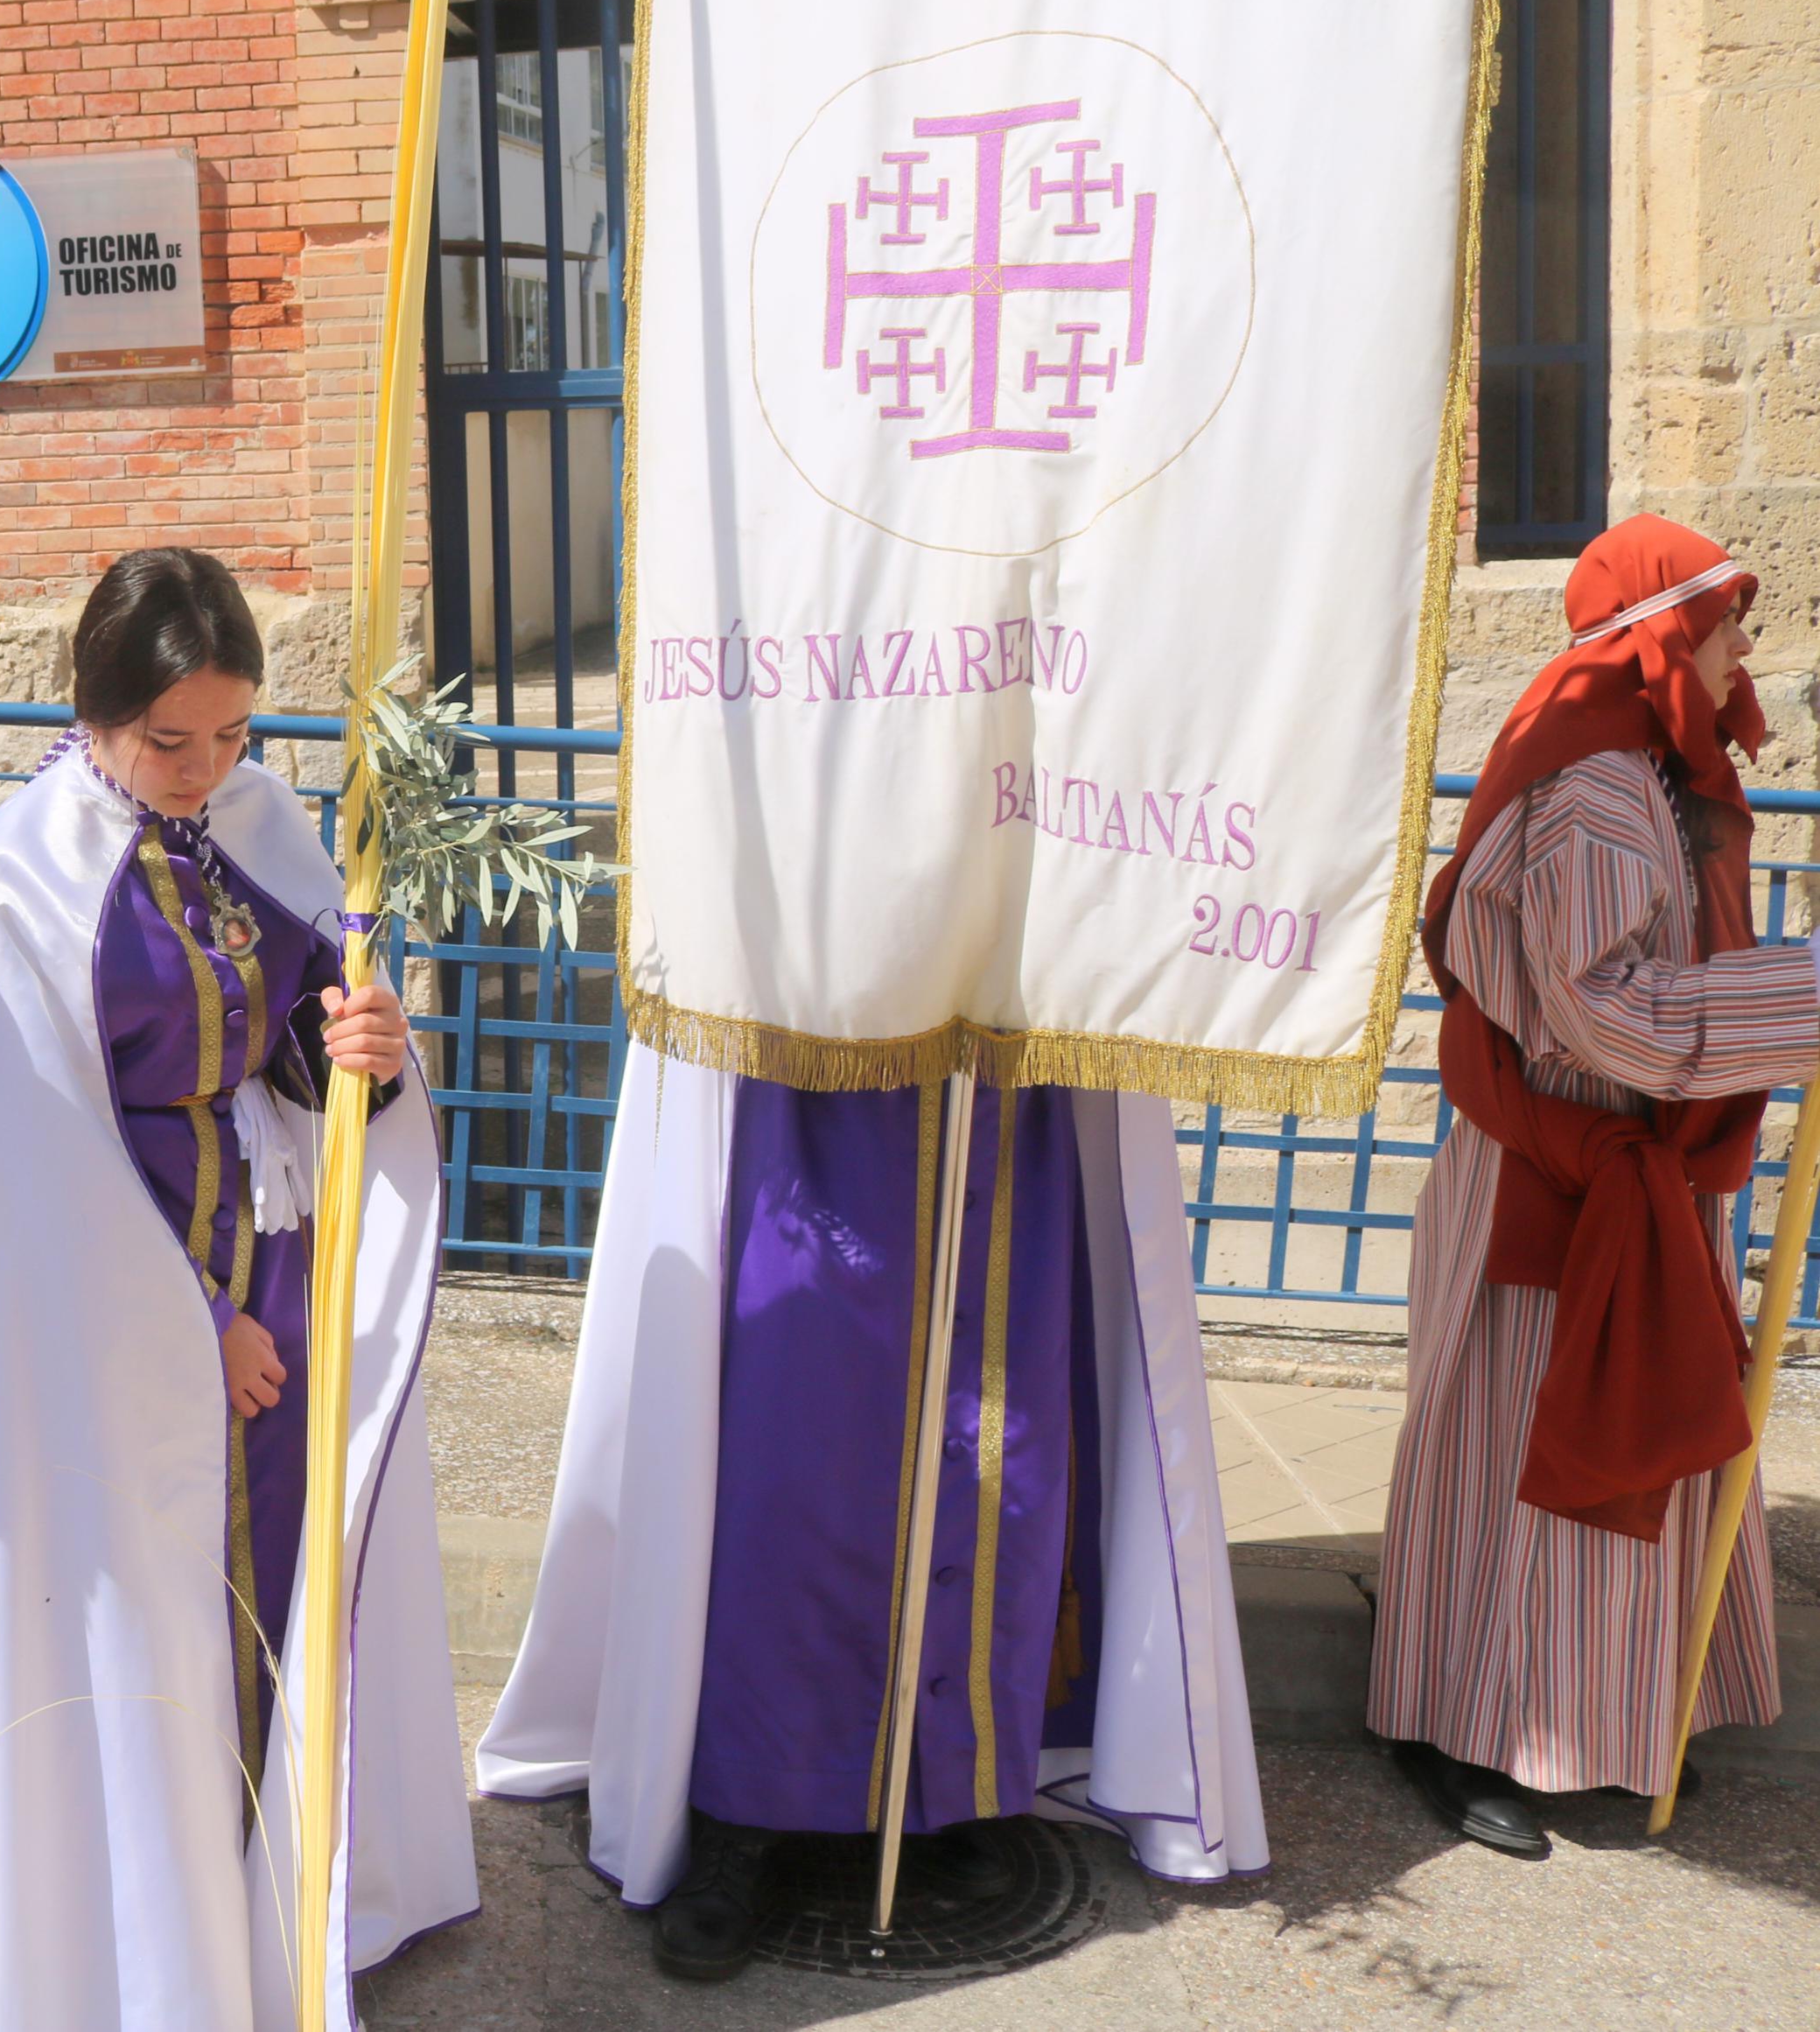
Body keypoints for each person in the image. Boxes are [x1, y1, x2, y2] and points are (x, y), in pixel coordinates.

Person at [0, 548, 477, 2028]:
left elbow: (283, 1034)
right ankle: (159, 1932)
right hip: (122, 1307)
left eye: (231, 736)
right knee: (153, 1613)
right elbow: (22, 1155)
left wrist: (358, 1054)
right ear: (90, 710)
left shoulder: (258, 822)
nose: (202, 769)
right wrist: (186, 1328)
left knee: (283, 1593)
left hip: (273, 1274)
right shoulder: (8, 885)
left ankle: (281, 1892)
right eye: (169, 740)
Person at [477, 1059, 1269, 1978]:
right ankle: (749, 1803)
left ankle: (947, 1784)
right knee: (789, 1447)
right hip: (802, 1066)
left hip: (1008, 1070)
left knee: (1002, 1433)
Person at [1369, 515, 1817, 1855]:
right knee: (1515, 1457)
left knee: (1551, 1453)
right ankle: (1455, 1726)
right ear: (1663, 635)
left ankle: (1583, 1712)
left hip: (1616, 1170)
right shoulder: (1596, 791)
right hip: (1555, 1176)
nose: (1747, 640)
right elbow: (1603, 1016)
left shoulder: (1638, 775)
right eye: (1729, 615)